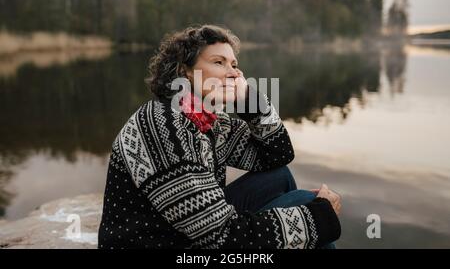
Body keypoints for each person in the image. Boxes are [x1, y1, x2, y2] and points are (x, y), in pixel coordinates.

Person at [98, 24, 341, 249]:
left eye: (234, 65)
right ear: (186, 71)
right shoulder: (163, 126)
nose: (233, 73)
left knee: (279, 176)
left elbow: (278, 154)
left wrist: (250, 102)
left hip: (183, 230)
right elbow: (221, 237)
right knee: (309, 210)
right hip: (162, 244)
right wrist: (317, 218)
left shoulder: (209, 120)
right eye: (219, 62)